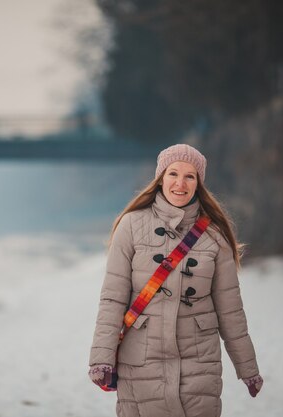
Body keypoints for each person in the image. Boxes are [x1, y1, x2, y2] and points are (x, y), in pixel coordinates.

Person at [88, 144, 263, 417]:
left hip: (199, 364)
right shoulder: (131, 225)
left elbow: (231, 311)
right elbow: (112, 298)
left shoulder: (215, 237)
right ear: (160, 178)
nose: (180, 183)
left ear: (198, 183)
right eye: (173, 174)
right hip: (141, 362)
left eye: (190, 176)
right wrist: (101, 359)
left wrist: (248, 368)